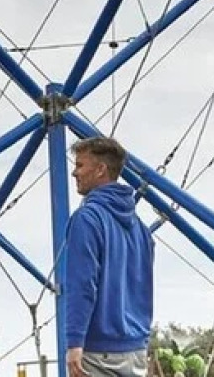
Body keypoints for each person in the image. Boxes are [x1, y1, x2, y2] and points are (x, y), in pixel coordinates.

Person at [62, 136, 155, 377]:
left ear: (101, 169)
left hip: (99, 352)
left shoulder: (87, 219)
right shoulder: (142, 230)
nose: (74, 172)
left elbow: (82, 285)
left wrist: (74, 343)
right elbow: (143, 288)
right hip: (136, 351)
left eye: (80, 165)